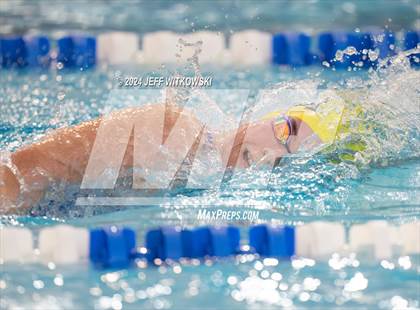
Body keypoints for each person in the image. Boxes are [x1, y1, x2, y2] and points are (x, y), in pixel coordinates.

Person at [0, 98, 344, 213]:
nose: (268, 155)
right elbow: (21, 170)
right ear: (263, 114)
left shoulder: (201, 184)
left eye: (284, 160)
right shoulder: (174, 129)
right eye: (286, 131)